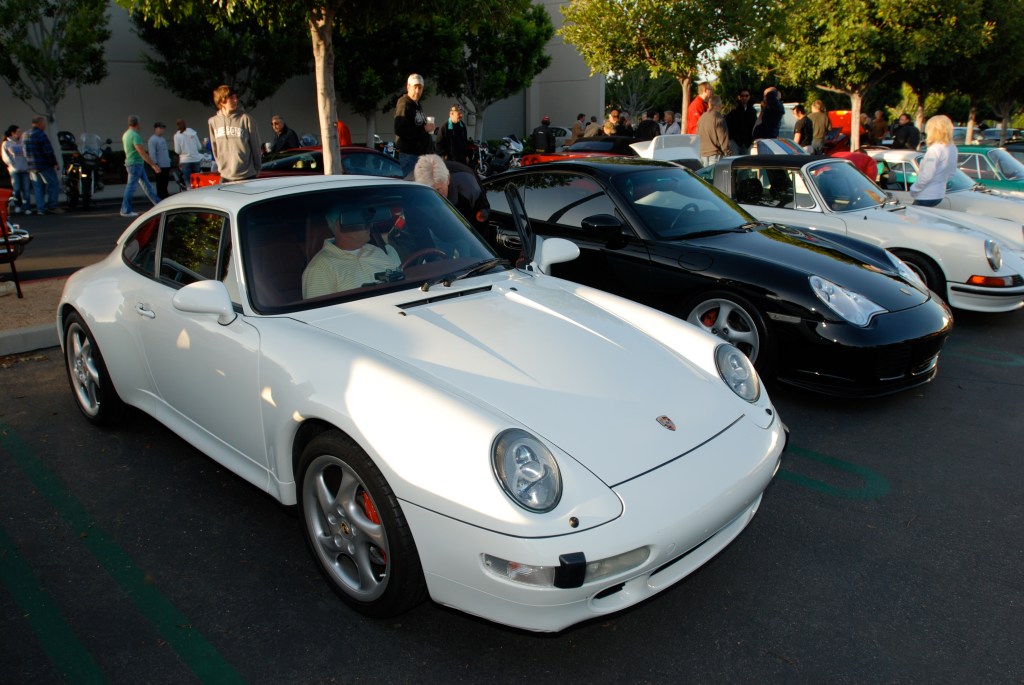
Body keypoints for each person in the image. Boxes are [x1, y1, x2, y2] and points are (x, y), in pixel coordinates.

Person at [301, 202, 402, 298]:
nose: (370, 225)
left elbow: (400, 282)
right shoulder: (320, 268)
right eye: (360, 219)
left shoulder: (378, 251)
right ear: (339, 224)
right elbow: (320, 309)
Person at [208, 85, 262, 182]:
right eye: (231, 98)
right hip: (225, 176)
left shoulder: (246, 119)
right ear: (222, 101)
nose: (235, 100)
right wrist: (220, 166)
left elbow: (255, 146)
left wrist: (257, 168)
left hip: (247, 175)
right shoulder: (213, 122)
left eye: (236, 97)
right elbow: (214, 147)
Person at [909, 115, 958, 207]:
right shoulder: (952, 148)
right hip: (939, 194)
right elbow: (952, 172)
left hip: (926, 195)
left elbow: (926, 176)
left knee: (913, 215)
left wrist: (914, 189)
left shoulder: (934, 149)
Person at [394, 73, 435, 177]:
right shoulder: (404, 103)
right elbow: (399, 129)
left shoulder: (417, 105)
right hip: (410, 156)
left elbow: (418, 126)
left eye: (420, 88)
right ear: (408, 87)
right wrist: (424, 128)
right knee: (412, 184)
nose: (417, 91)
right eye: (415, 87)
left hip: (420, 156)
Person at [120, 115, 161, 217]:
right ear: (137, 123)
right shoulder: (135, 136)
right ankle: (126, 210)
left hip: (132, 163)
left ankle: (158, 204)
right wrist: (153, 165)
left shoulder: (126, 134)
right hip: (135, 164)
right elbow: (141, 152)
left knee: (146, 185)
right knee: (131, 187)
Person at [23, 116, 61, 214]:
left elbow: (24, 151)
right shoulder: (40, 134)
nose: (44, 125)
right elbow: (48, 150)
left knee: (37, 187)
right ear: (39, 123)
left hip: (31, 166)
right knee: (54, 183)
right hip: (43, 164)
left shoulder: (25, 135)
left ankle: (40, 209)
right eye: (43, 123)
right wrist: (54, 163)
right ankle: (52, 205)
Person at [2, 125, 32, 214]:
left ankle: (27, 207)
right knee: (16, 189)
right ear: (13, 133)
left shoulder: (22, 142)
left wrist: (29, 163)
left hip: (25, 169)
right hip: (14, 170)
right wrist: (12, 164)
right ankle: (18, 205)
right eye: (18, 131)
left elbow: (27, 154)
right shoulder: (6, 143)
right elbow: (5, 157)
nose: (20, 133)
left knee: (26, 190)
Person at [696, 95, 729, 166]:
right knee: (715, 173)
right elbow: (723, 139)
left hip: (702, 154)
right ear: (719, 105)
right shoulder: (719, 118)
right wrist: (727, 152)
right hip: (715, 154)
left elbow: (697, 135)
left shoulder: (702, 118)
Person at [725, 89, 757, 155]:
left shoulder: (752, 111)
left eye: (746, 95)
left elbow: (754, 125)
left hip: (747, 142)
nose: (744, 97)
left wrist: (752, 139)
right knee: (734, 160)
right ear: (739, 97)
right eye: (742, 96)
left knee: (745, 161)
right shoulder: (734, 109)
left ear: (749, 97)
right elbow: (727, 122)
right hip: (735, 142)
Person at [173, 118, 203, 190]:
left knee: (188, 182)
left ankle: (189, 192)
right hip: (196, 159)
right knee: (197, 181)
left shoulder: (177, 136)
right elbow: (199, 147)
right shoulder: (193, 133)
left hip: (185, 160)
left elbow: (177, 151)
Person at [148, 122, 172, 199]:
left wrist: (169, 161)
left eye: (163, 128)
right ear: (156, 128)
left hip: (166, 165)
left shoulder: (163, 139)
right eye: (161, 128)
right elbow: (152, 153)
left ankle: (165, 196)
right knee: (160, 183)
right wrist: (155, 164)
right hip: (159, 165)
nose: (162, 130)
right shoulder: (153, 139)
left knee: (165, 183)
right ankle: (161, 198)